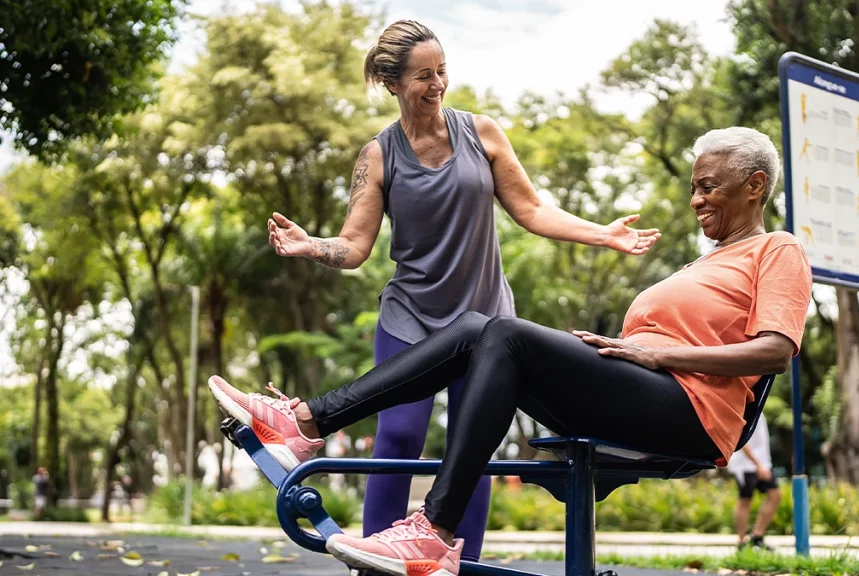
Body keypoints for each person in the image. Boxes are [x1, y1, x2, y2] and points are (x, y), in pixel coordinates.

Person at [211, 125, 813, 576]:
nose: (696, 200)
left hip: (688, 412)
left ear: (754, 185)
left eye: (709, 187)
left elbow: (774, 351)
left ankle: (433, 532)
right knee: (478, 332)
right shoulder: (705, 262)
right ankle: (304, 422)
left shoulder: (775, 250)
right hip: (641, 388)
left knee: (500, 329)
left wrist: (660, 356)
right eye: (694, 188)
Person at [261, 19, 660, 563]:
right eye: (423, 75)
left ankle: (458, 562)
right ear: (392, 83)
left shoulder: (483, 133)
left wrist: (603, 234)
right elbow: (355, 247)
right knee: (398, 438)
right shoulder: (379, 155)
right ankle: (377, 562)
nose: (437, 84)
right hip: (410, 320)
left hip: (485, 322)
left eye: (442, 71)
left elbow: (532, 210)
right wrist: (312, 246)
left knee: (471, 447)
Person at [727, 412, 781, 550]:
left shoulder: (759, 407)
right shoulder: (743, 408)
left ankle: (757, 536)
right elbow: (740, 440)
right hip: (745, 465)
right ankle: (741, 542)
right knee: (745, 500)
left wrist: (762, 465)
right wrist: (757, 465)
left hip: (763, 464)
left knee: (775, 495)